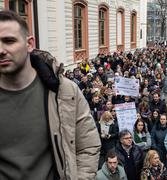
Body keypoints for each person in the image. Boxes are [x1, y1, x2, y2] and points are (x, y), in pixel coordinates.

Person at [0, 10, 101, 179]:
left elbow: (88, 147)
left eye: (9, 41)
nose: (1, 50)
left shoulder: (65, 92)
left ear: (30, 43)